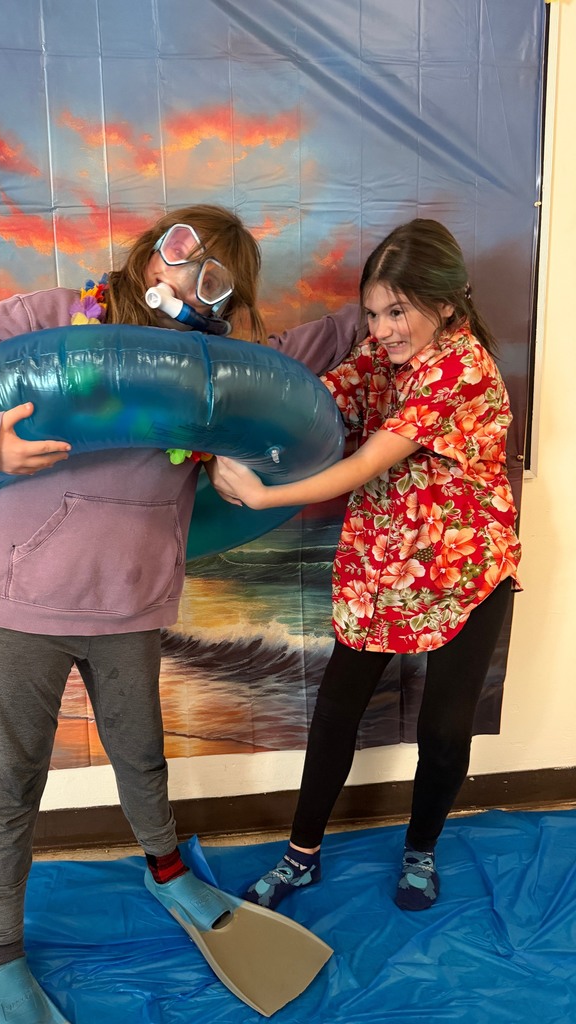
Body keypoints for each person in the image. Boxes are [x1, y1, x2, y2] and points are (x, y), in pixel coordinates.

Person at [0, 205, 278, 1024]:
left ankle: (167, 870)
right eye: (182, 248)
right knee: (14, 784)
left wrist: (236, 471)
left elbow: (229, 456)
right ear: (153, 247)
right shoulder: (57, 315)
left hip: (131, 606)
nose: (185, 273)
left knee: (142, 755)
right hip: (23, 602)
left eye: (211, 275)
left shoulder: (206, 376)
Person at [210, 218, 522, 914]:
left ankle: (421, 848)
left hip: (464, 576)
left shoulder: (460, 370)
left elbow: (366, 463)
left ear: (446, 303)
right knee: (335, 712)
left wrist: (265, 495)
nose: (382, 329)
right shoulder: (380, 358)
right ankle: (302, 855)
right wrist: (224, 421)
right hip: (379, 566)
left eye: (397, 310)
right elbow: (312, 405)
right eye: (374, 313)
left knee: (444, 731)